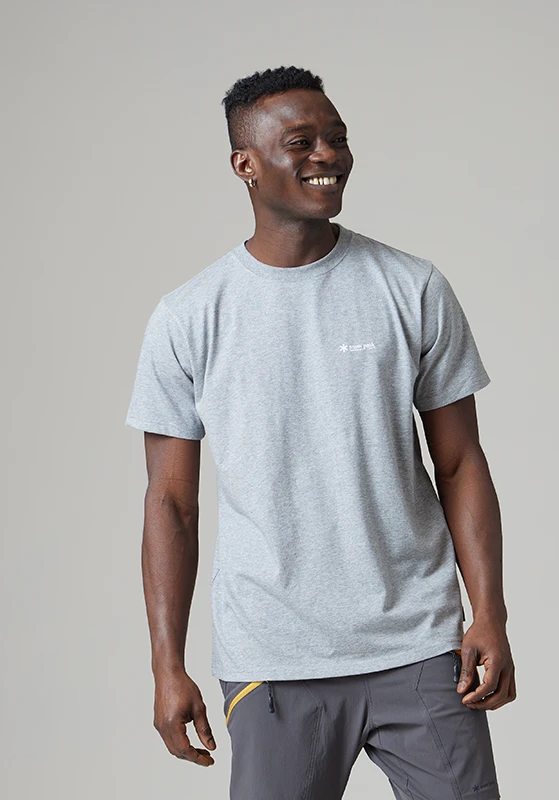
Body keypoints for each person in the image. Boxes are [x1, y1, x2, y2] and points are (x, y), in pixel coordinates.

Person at [125, 65, 515, 800]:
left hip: (420, 646)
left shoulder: (412, 287)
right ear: (244, 164)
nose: (328, 155)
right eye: (301, 141)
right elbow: (170, 504)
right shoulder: (189, 317)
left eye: (337, 137)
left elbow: (461, 462)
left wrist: (489, 612)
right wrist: (165, 665)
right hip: (274, 658)